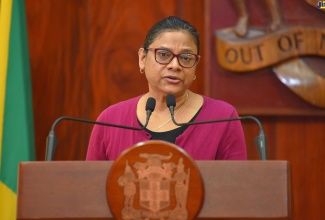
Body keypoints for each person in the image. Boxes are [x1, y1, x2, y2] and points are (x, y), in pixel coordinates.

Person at [86, 16, 247, 161]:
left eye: (186, 58)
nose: (175, 65)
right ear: (142, 58)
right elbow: (92, 188)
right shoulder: (110, 120)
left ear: (195, 66)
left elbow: (234, 188)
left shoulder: (224, 117)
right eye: (163, 54)